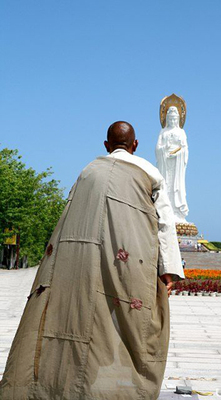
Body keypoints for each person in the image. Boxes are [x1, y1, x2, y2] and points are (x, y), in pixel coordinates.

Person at [0, 121, 184, 400]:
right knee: (125, 323)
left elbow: (68, 217)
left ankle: (64, 387)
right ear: (135, 146)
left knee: (81, 319)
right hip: (128, 262)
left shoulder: (88, 171)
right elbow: (164, 225)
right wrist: (169, 270)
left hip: (80, 261)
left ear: (106, 146)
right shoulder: (149, 172)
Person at [156, 106, 189, 223]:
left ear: (179, 120)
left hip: (177, 164)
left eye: (175, 119)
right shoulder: (163, 131)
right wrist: (164, 149)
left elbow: (185, 149)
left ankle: (177, 212)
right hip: (165, 163)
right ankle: (164, 211)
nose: (172, 122)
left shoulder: (181, 132)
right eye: (170, 119)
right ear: (166, 119)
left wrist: (177, 154)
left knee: (177, 187)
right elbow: (157, 148)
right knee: (165, 185)